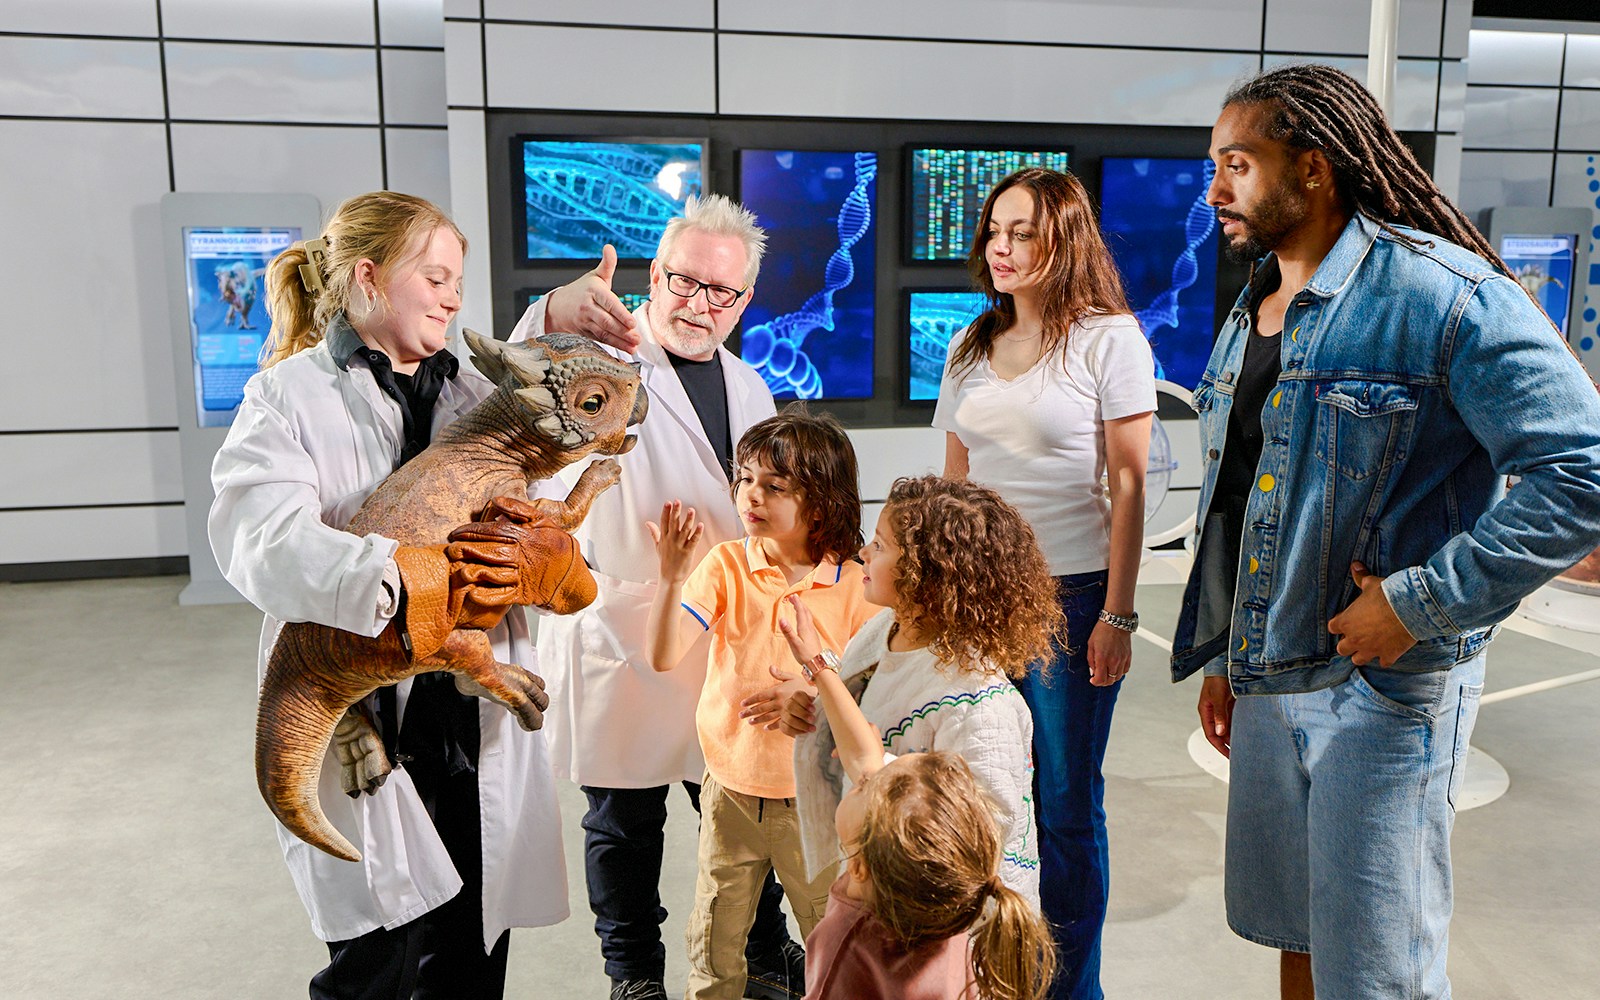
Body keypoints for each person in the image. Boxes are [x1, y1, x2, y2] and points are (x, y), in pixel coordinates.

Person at [1172, 64, 1600, 1000]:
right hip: (1271, 677)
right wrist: (1226, 655)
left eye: (1237, 165)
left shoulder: (1442, 295)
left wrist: (1416, 604)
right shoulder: (1255, 306)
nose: (1214, 192)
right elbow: (1240, 498)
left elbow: (1582, 470)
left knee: (1378, 974)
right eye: (1214, 168)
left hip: (1384, 690)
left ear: (1313, 167)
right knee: (1297, 936)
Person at [209, 191, 568, 999]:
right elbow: (258, 537)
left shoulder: (475, 394)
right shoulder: (289, 397)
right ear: (369, 278)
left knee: (472, 956)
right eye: (435, 278)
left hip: (470, 712)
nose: (452, 298)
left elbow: (536, 508)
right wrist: (402, 577)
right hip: (362, 711)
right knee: (377, 965)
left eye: (457, 283)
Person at [511, 194, 805, 1000]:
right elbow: (515, 380)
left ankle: (763, 952)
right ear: (655, 274)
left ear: (744, 300)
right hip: (626, 633)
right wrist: (552, 312)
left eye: (722, 291)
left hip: (726, 641)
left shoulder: (750, 385)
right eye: (684, 281)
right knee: (624, 825)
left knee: (745, 810)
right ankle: (634, 974)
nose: (699, 304)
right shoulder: (595, 359)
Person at [933, 168, 1155, 999]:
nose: (1002, 247)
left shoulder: (1108, 339)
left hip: (1071, 600)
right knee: (988, 790)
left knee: (1063, 802)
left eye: (1022, 232)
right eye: (995, 230)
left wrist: (1119, 616)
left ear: (1063, 240)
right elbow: (953, 483)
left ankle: (1070, 988)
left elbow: (1129, 485)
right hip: (978, 603)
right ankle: (1001, 973)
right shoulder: (970, 343)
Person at [644, 407, 878, 1000]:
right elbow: (665, 654)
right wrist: (670, 578)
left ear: (820, 503)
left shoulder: (857, 585)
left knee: (831, 939)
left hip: (818, 800)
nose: (751, 495)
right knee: (714, 944)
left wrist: (814, 691)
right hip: (730, 791)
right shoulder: (725, 565)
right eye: (745, 478)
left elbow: (874, 692)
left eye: (775, 486)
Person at [750, 474, 1062, 909]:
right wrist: (819, 708)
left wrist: (876, 767)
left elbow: (978, 837)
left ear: (927, 573)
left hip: (952, 924)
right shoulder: (883, 630)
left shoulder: (979, 704)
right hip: (884, 883)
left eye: (879, 546)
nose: (863, 553)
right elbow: (872, 708)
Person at [794, 737, 1055, 998]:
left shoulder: (842, 947)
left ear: (859, 867)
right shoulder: (942, 904)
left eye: (863, 785)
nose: (864, 775)